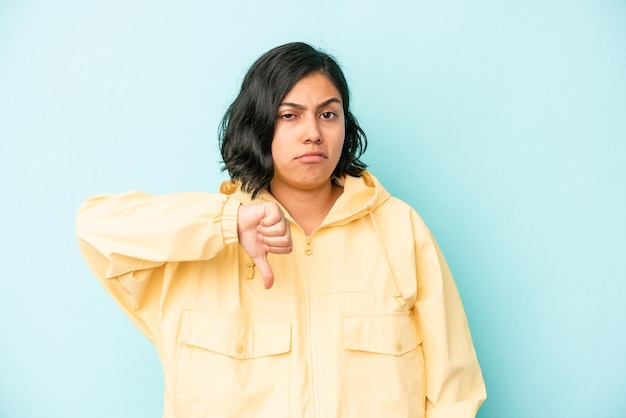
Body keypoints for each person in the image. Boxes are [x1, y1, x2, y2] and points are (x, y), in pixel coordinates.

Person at [76, 42, 486, 418]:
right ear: (259, 126)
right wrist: (227, 224)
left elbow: (456, 390)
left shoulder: (400, 228)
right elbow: (94, 227)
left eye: (328, 114)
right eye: (289, 115)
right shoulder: (201, 241)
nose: (313, 133)